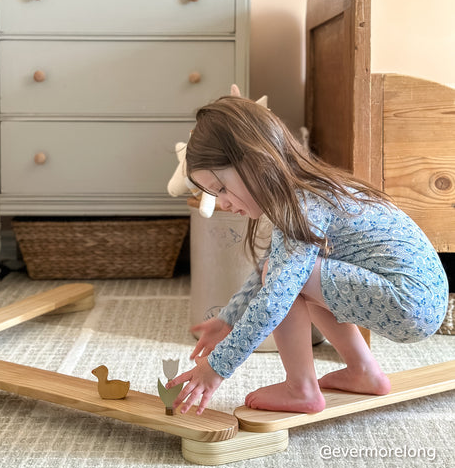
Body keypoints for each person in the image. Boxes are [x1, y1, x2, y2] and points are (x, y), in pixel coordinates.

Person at [167, 96, 448, 416]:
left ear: (254, 160)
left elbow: (275, 294)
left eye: (220, 188)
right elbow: (267, 267)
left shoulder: (301, 204)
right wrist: (228, 319)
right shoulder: (301, 194)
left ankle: (301, 389)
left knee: (287, 279)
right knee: (288, 272)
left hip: (408, 300)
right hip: (417, 299)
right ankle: (363, 372)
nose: (223, 203)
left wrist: (215, 368)